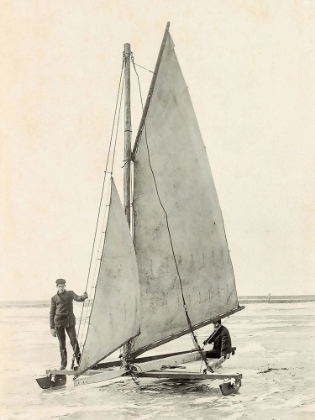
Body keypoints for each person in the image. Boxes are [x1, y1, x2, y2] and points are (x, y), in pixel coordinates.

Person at [50, 278, 88, 370]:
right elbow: (52, 313)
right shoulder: (54, 298)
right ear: (57, 287)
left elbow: (78, 298)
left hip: (69, 322)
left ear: (65, 286)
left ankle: (80, 362)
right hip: (58, 323)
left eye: (63, 286)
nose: (61, 288)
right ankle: (63, 365)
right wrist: (52, 328)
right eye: (60, 286)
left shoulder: (70, 294)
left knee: (74, 342)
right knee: (62, 344)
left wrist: (83, 296)